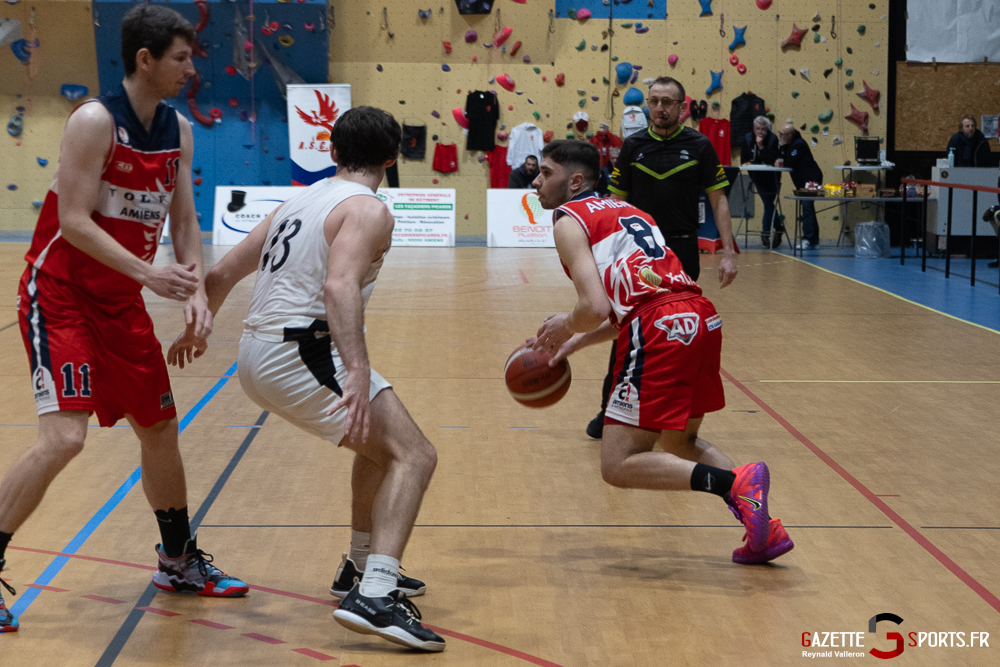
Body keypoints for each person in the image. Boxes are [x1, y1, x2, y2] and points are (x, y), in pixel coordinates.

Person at [0, 5, 248, 633]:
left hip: (120, 302)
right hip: (59, 296)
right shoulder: (93, 121)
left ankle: (177, 560)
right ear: (145, 59)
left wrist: (193, 290)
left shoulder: (179, 130)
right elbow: (74, 222)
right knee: (65, 438)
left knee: (160, 428)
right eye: (181, 58)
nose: (191, 68)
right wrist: (150, 275)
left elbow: (186, 220)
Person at [166, 106, 445, 652]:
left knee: (379, 451)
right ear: (392, 157)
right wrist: (358, 371)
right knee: (416, 455)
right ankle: (376, 595)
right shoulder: (368, 209)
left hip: (258, 350)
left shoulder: (299, 199)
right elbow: (339, 287)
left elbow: (220, 273)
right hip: (302, 351)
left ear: (333, 152)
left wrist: (199, 328)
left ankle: (360, 568)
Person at [529, 140, 793, 565]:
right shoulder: (632, 212)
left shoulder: (567, 219)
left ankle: (735, 483)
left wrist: (566, 324)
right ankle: (765, 528)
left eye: (545, 172)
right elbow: (628, 307)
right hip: (700, 317)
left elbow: (594, 306)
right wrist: (577, 341)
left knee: (617, 464)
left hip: (659, 326)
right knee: (680, 441)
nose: (536, 181)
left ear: (575, 181)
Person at [588, 76, 738, 440]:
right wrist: (606, 253)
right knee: (627, 328)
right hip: (638, 253)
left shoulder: (700, 146)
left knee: (678, 332)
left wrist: (729, 251)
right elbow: (616, 204)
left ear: (682, 107)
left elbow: (718, 199)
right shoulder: (633, 147)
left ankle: (676, 412)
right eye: (653, 101)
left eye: (667, 101)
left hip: (682, 251)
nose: (659, 108)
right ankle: (611, 410)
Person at [778, 125, 824, 250]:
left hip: (812, 179)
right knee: (809, 208)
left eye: (781, 133)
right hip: (802, 181)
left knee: (807, 206)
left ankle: (807, 239)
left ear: (789, 135)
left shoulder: (799, 145)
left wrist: (782, 152)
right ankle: (814, 240)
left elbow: (788, 162)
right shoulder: (789, 145)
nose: (779, 136)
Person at [740, 117, 784, 248]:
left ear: (768, 129)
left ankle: (769, 232)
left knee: (768, 204)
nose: (760, 132)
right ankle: (773, 230)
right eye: (758, 129)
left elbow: (770, 159)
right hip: (757, 177)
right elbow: (744, 160)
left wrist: (760, 146)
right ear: (753, 128)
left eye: (763, 129)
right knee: (768, 203)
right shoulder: (747, 138)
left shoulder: (773, 139)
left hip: (772, 177)